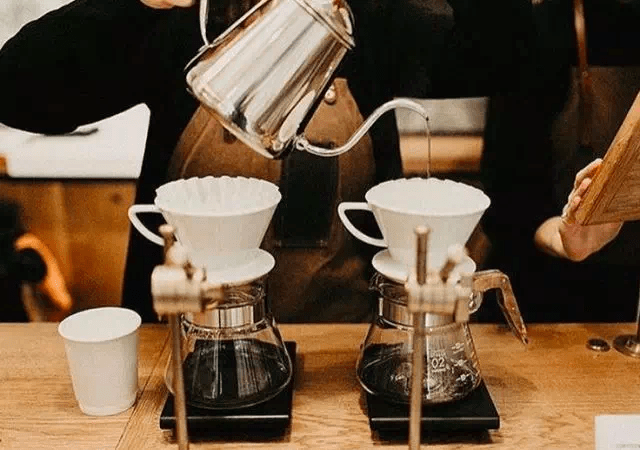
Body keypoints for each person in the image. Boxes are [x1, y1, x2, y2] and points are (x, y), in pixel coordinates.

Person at [0, 0, 537, 323]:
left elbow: (505, 51)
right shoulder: (179, 22)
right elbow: (18, 89)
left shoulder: (373, 20)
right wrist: (134, 5)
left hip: (347, 351)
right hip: (187, 348)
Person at [478, 0, 640, 323]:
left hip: (627, 299)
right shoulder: (540, 27)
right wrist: (566, 239)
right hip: (542, 298)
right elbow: (508, 202)